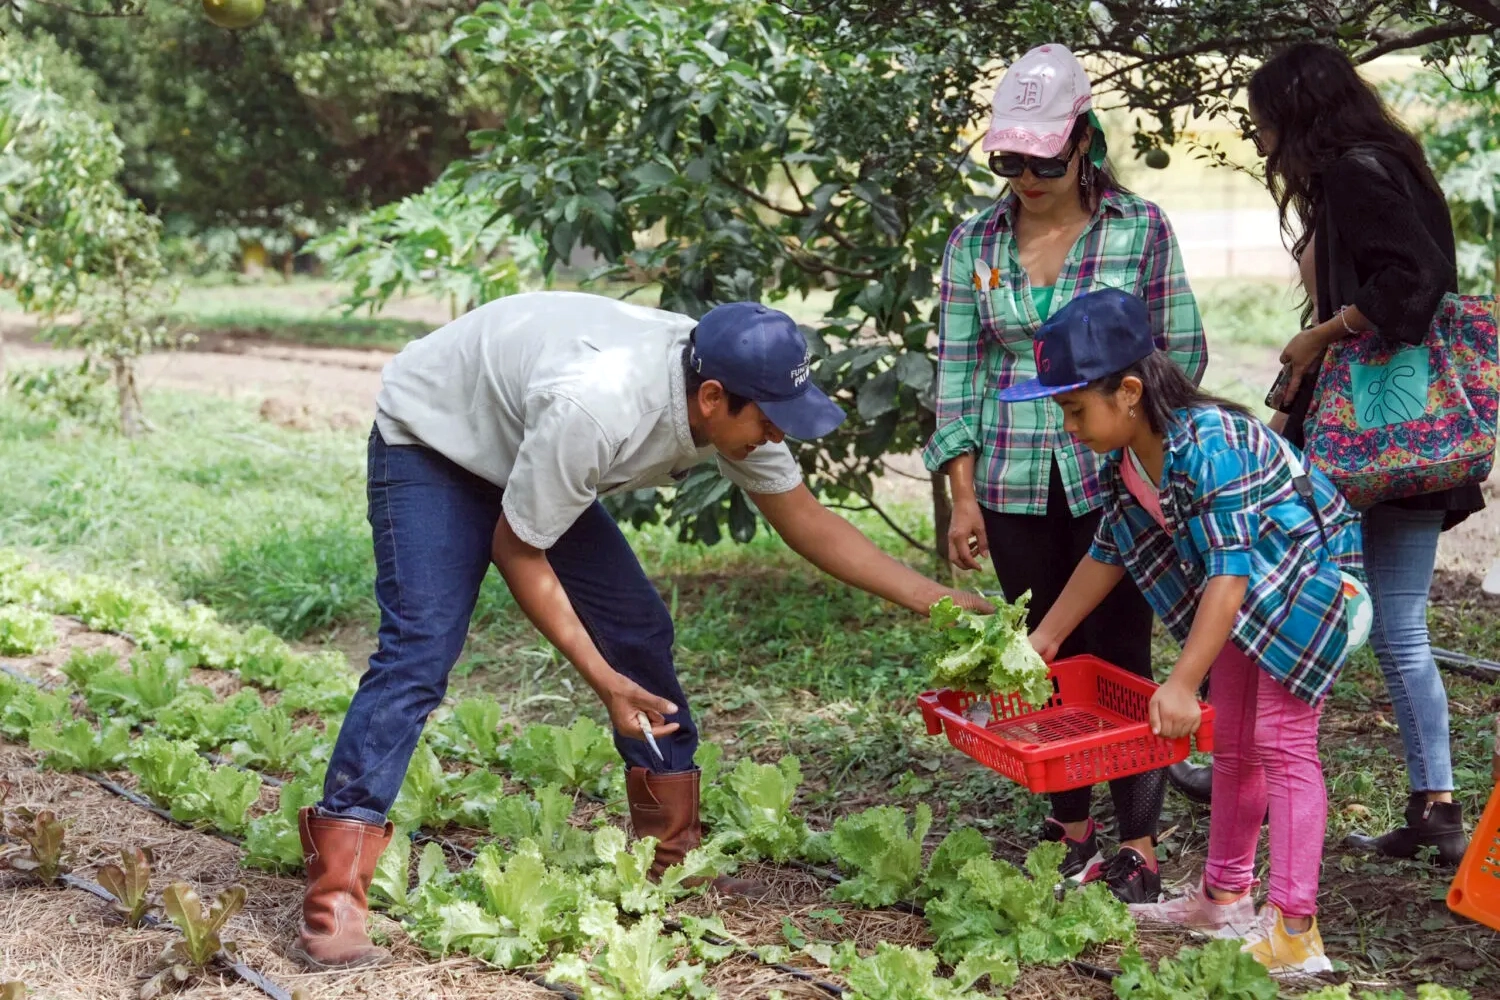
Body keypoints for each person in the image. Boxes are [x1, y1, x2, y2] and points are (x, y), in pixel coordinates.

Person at [292, 290, 992, 968]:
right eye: (770, 420)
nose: (778, 434)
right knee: (421, 648)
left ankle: (671, 861)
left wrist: (938, 600)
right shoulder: (598, 408)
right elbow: (518, 549)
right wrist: (602, 681)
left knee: (638, 629)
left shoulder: (736, 393)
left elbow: (806, 520)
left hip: (530, 442)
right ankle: (334, 898)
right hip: (435, 438)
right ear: (713, 398)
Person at [925, 42, 1208, 902]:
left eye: (1041, 157)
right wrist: (962, 495)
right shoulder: (974, 240)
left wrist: (1159, 463)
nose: (1024, 175)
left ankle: (1140, 841)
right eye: (1007, 158)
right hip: (1011, 476)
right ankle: (1068, 826)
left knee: (1120, 652)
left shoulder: (1139, 227)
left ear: (1082, 139)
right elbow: (960, 371)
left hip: (1116, 477)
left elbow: (1179, 350)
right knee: (1037, 654)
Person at [1017, 288, 1363, 976]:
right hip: (1243, 600)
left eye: (1074, 409)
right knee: (1234, 742)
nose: (1070, 427)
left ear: (1129, 392)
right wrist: (1045, 639)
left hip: (1310, 588)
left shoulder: (1210, 445)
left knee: (1282, 743)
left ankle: (1296, 927)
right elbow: (1109, 551)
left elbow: (1231, 570)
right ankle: (1225, 896)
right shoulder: (1132, 462)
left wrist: (1180, 681)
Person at [1249, 42, 1476, 865]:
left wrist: (1323, 330)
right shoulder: (1395, 165)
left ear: (1297, 115)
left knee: (1281, 593)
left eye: (1264, 121)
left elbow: (1413, 285)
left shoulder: (1353, 172)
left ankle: (1254, 773)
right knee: (1400, 626)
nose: (1260, 138)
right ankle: (1437, 808)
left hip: (1364, 441)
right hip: (1408, 433)